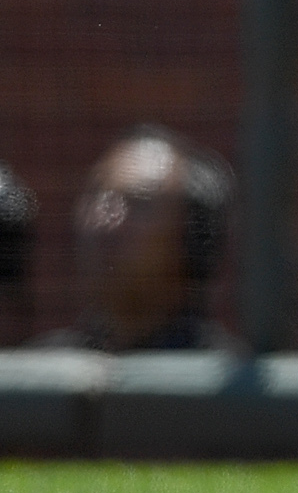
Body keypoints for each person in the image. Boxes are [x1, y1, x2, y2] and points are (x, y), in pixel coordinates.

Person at [45, 127, 235, 353]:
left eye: (140, 203)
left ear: (192, 237)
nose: (102, 218)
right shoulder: (43, 371)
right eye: (96, 194)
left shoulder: (225, 379)